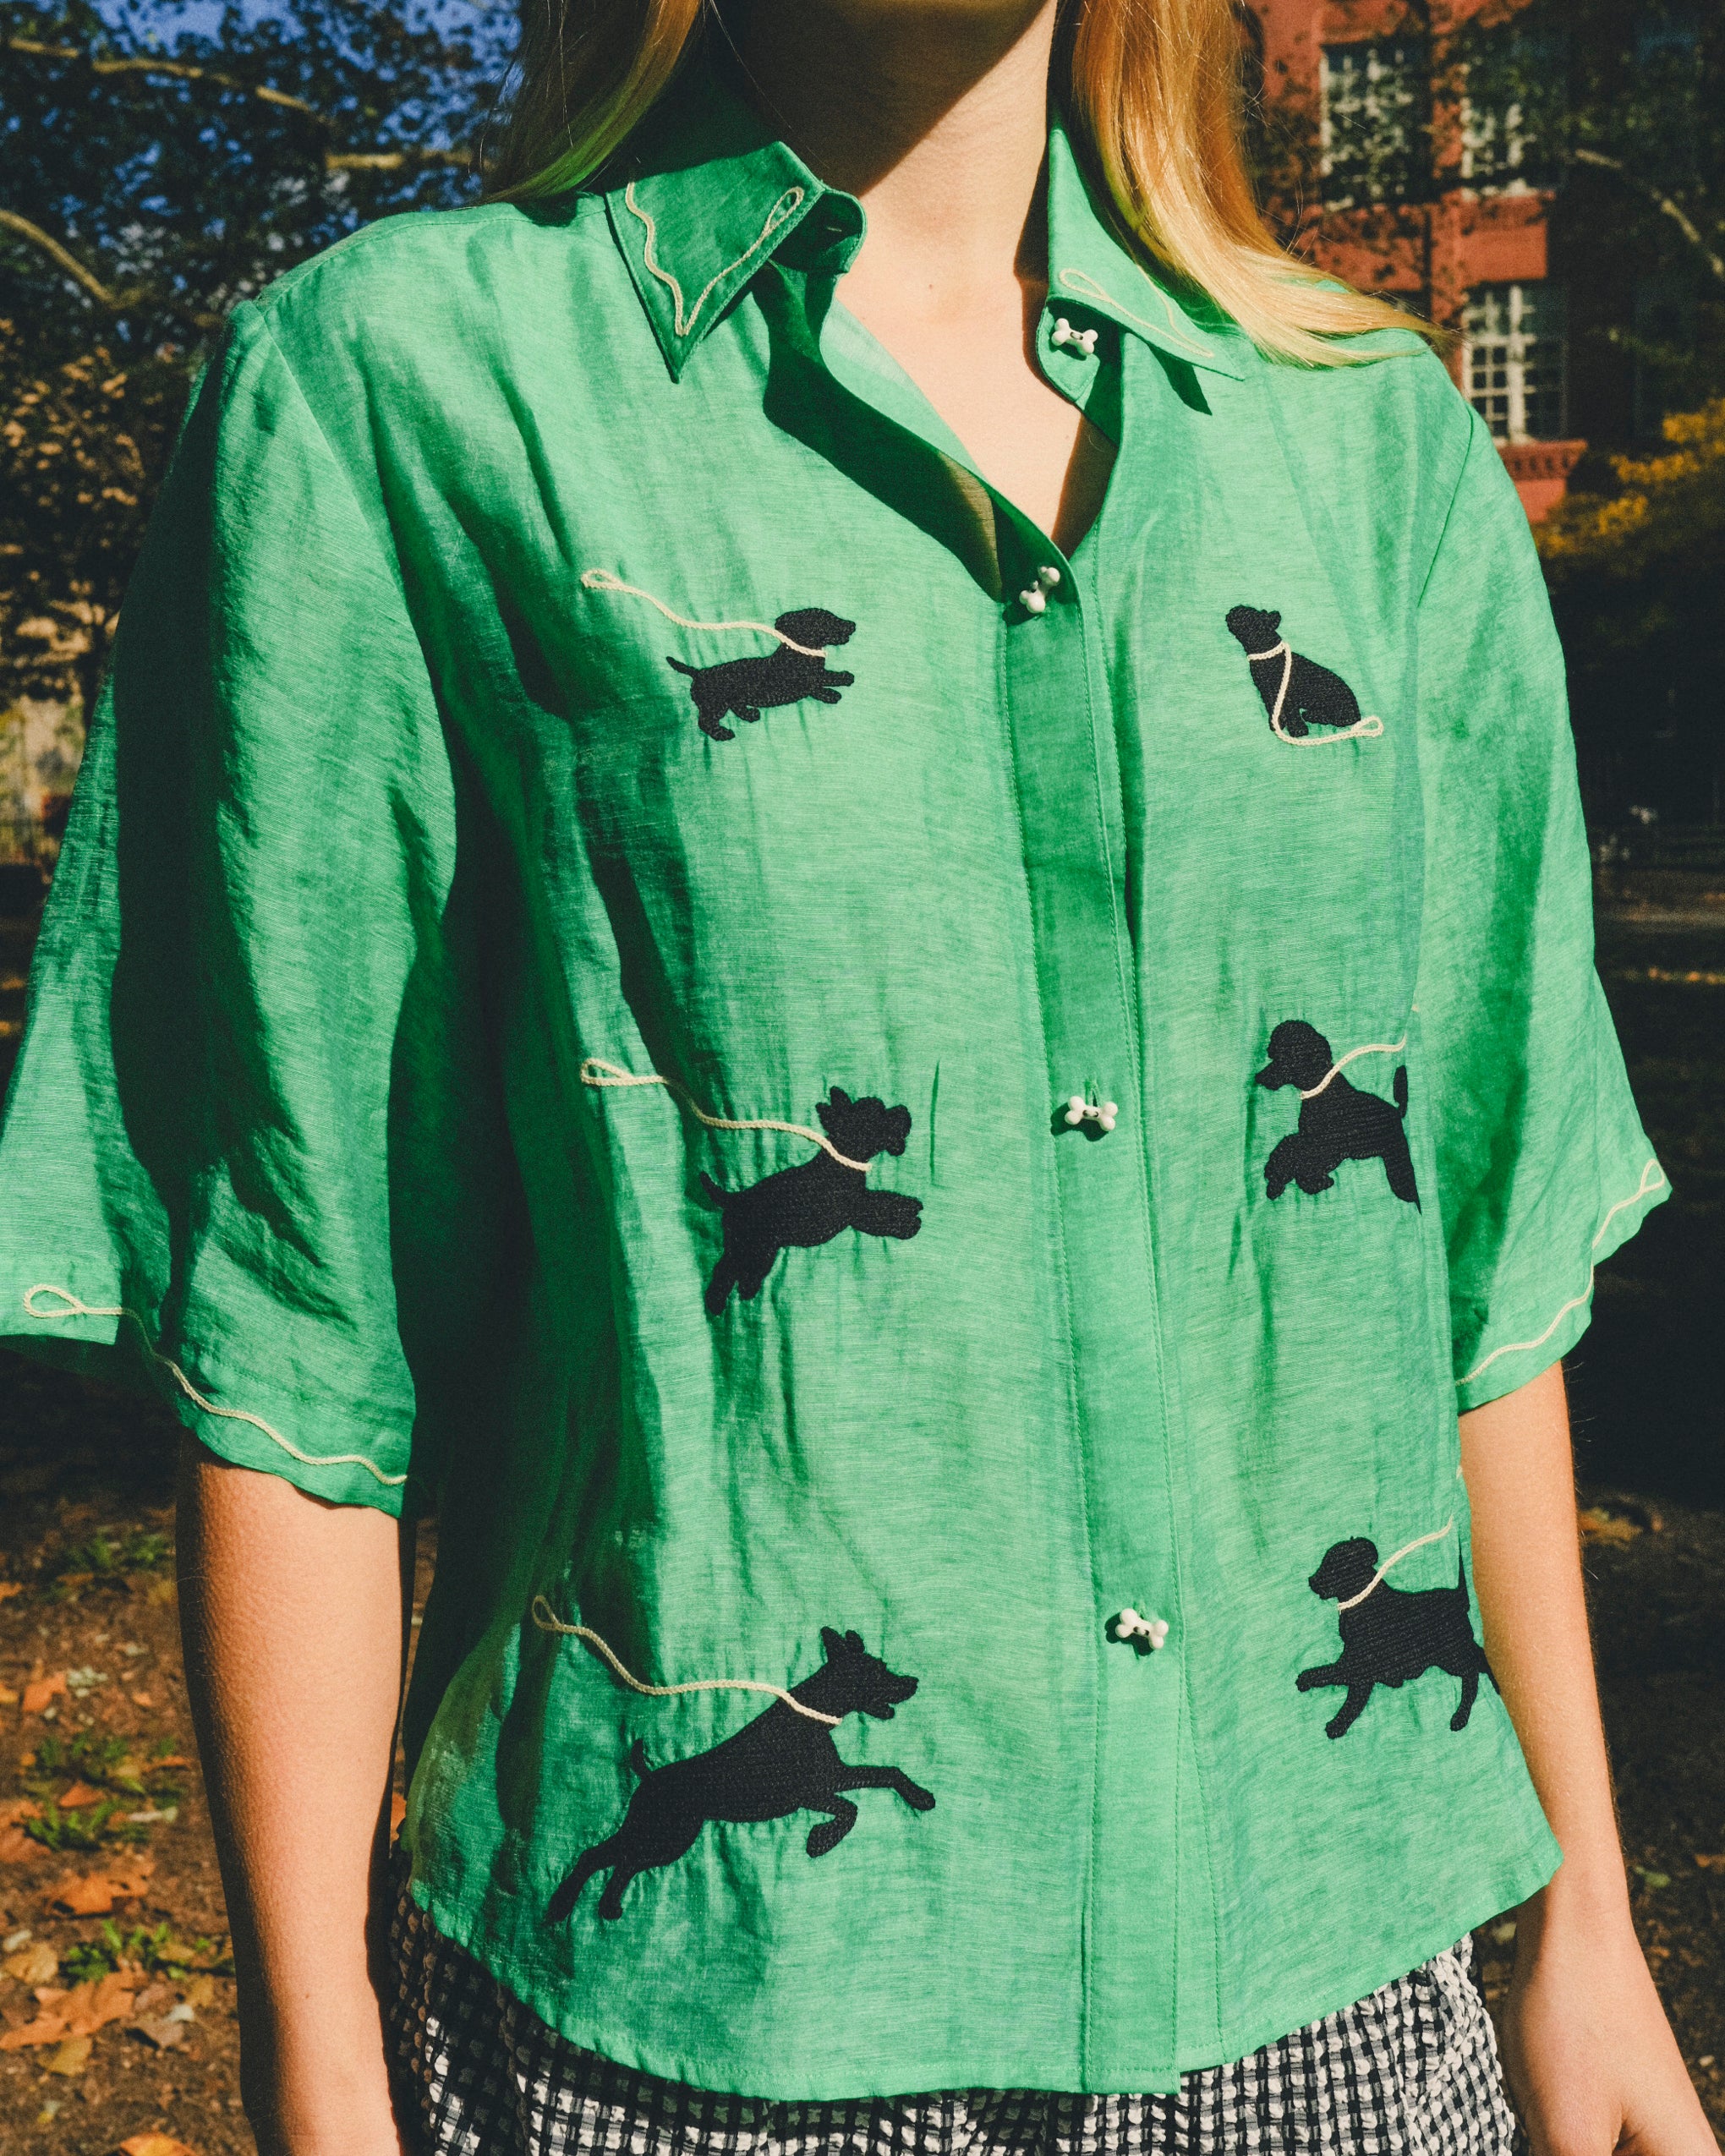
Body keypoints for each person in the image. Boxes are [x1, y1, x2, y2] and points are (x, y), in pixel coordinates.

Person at [0, 3, 1712, 2152]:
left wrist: (1585, 1927)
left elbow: (1470, 1247)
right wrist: (316, 2066)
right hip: (686, 2047)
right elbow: (298, 1326)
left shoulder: (1370, 437)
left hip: (1351, 1994)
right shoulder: (399, 392)